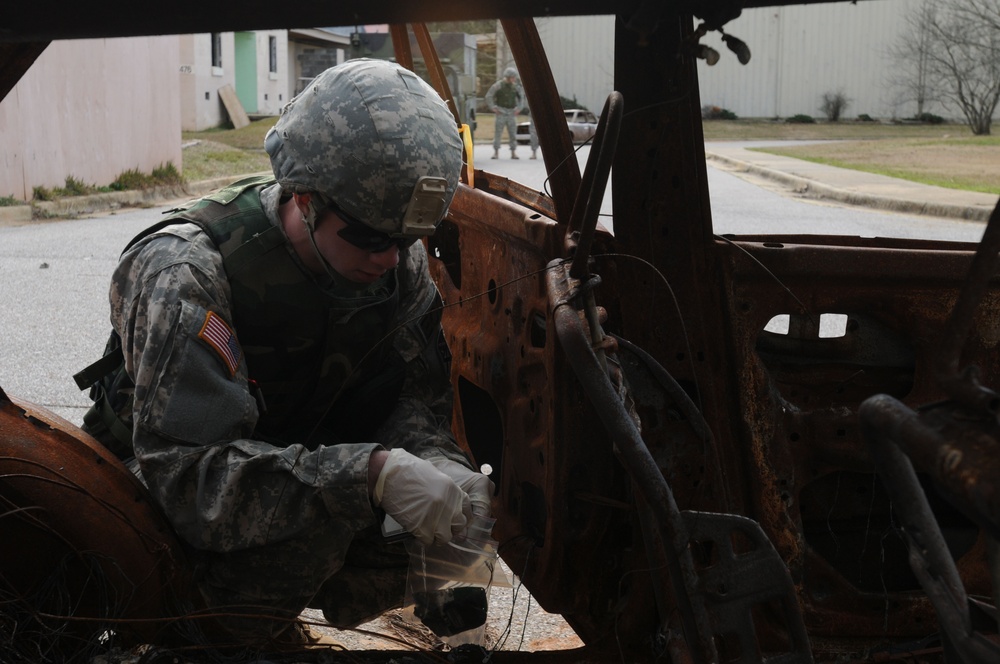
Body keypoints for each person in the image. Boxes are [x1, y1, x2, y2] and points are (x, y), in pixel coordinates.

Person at [79, 58, 493, 648]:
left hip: (286, 467)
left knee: (444, 511)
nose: (389, 259)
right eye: (372, 238)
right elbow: (191, 483)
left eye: (406, 241)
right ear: (305, 198)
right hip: (157, 500)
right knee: (322, 521)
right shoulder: (187, 272)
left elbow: (410, 401)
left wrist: (438, 469)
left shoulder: (397, 269)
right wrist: (369, 475)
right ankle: (200, 642)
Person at [484, 66, 525, 160]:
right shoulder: (498, 85)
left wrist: (519, 108)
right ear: (507, 77)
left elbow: (522, 97)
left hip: (511, 113)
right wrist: (493, 107)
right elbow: (489, 96)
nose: (514, 79)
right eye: (512, 77)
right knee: (498, 133)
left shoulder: (515, 87)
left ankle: (513, 152)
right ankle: (496, 152)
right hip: (501, 112)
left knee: (512, 133)